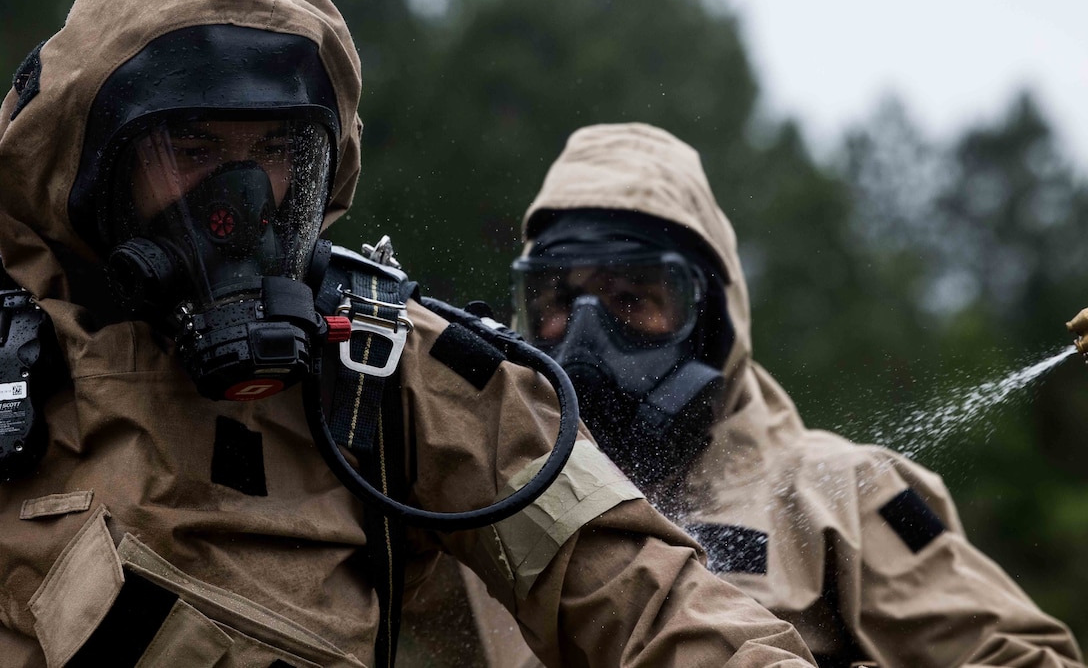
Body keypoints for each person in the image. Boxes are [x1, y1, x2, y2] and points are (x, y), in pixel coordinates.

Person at [0, 0, 821, 667]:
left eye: (278, 152)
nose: (240, 202)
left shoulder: (381, 364)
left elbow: (636, 584)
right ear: (94, 160)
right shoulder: (15, 341)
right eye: (194, 149)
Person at [401, 122, 1085, 668]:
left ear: (713, 321)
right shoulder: (492, 497)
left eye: (631, 298)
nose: (584, 337)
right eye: (558, 298)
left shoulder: (839, 490)